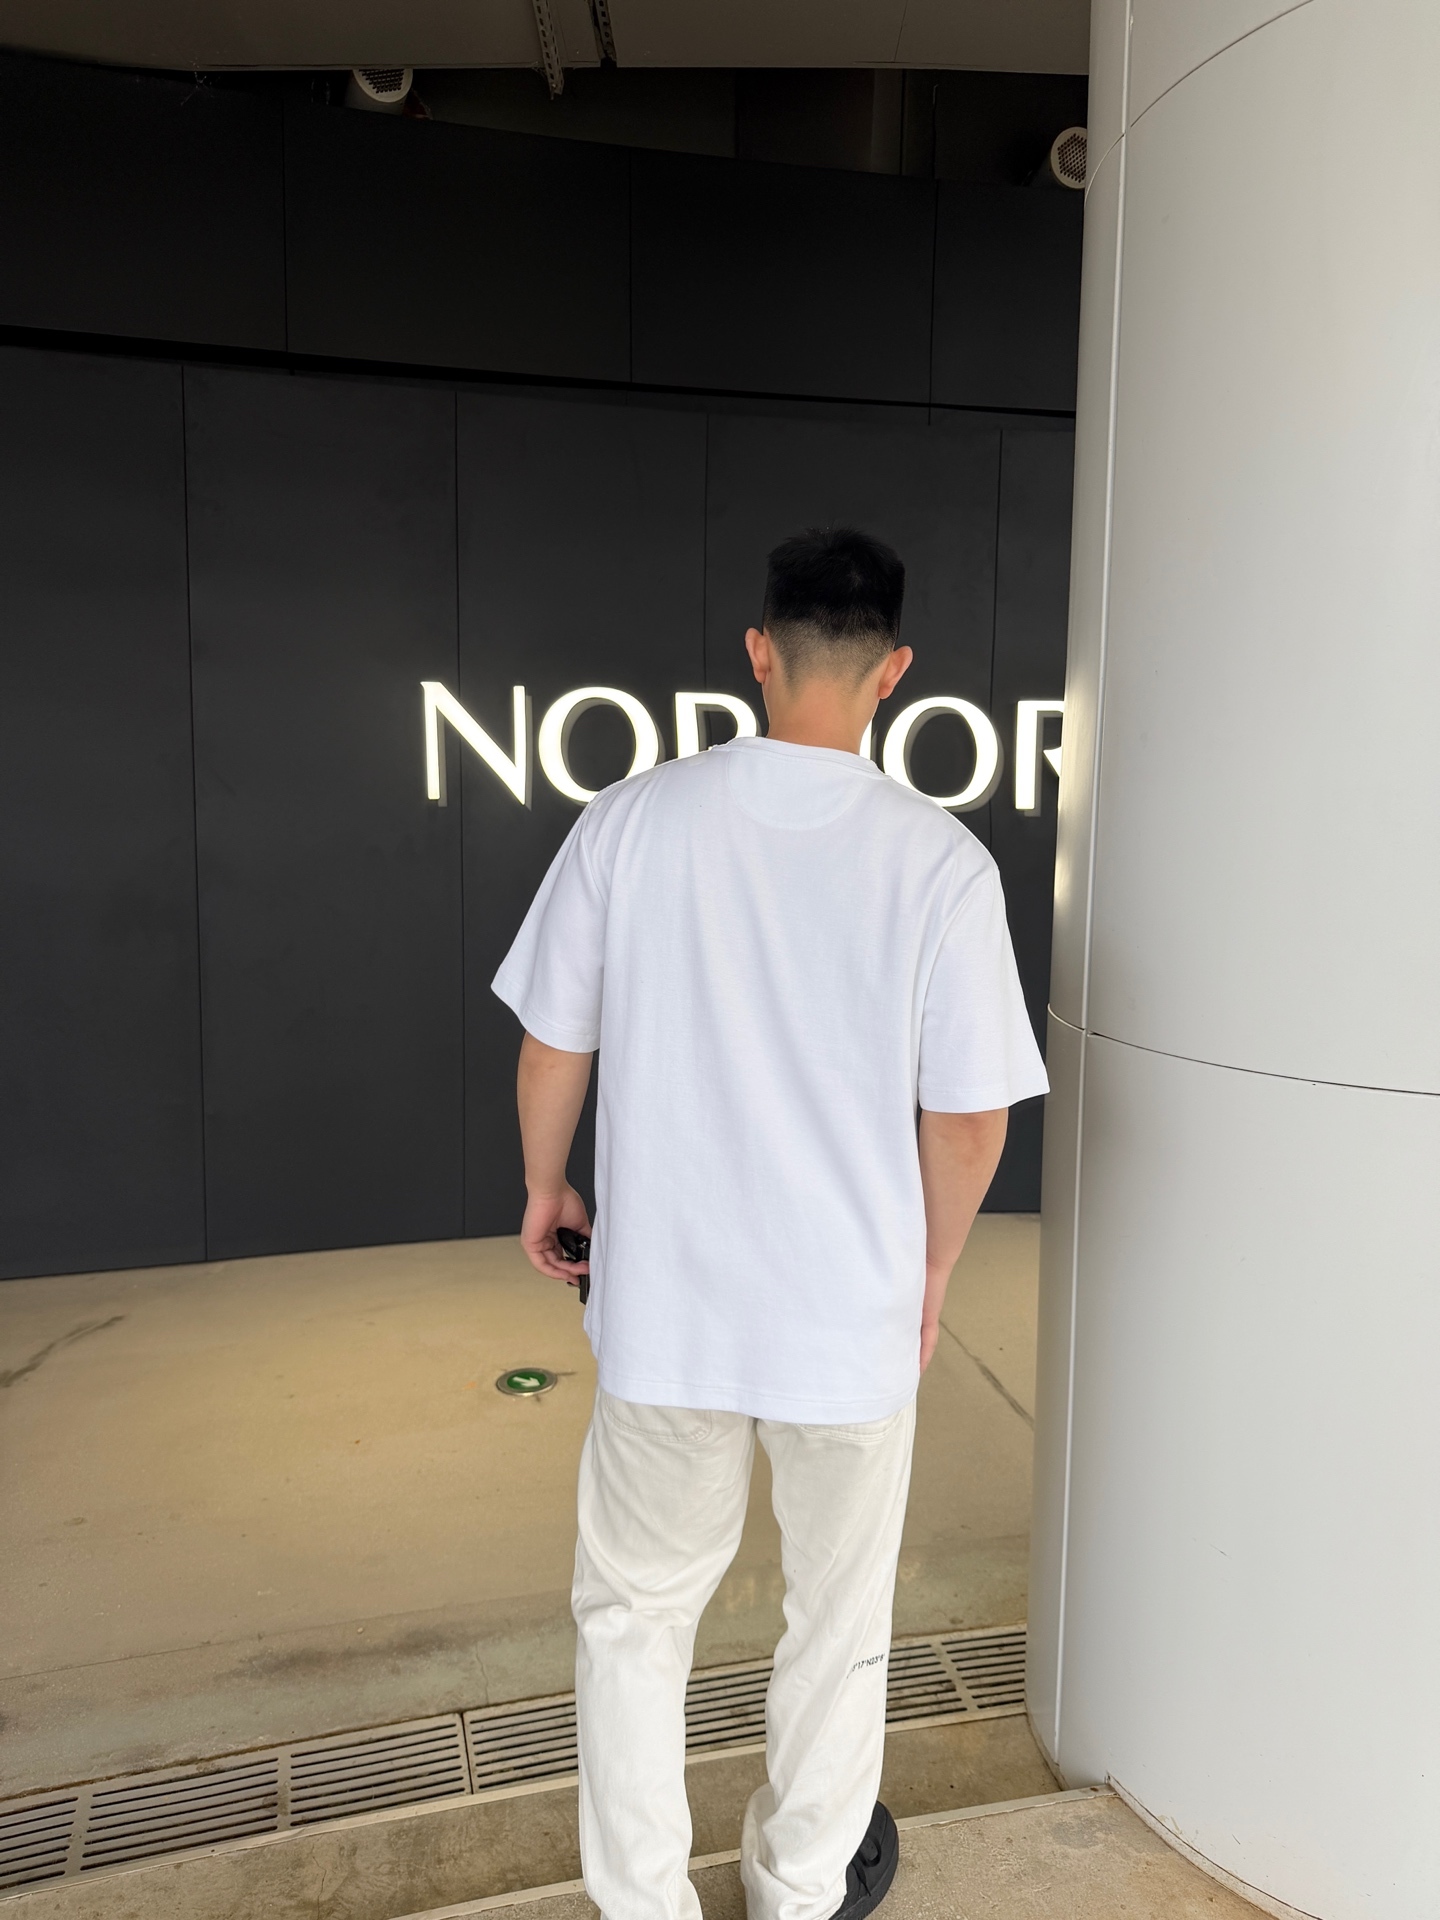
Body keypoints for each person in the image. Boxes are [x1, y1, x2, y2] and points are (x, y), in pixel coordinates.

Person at [492, 527, 1048, 1920]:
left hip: (667, 1313)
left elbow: (554, 1044)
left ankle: (643, 1904)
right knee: (839, 1622)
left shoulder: (632, 821)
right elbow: (968, 1122)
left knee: (635, 1617)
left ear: (757, 650)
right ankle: (799, 1888)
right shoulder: (942, 864)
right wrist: (929, 1273)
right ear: (896, 671)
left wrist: (548, 1185)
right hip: (848, 1317)